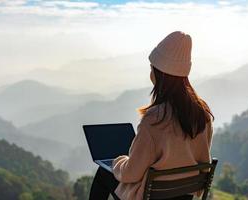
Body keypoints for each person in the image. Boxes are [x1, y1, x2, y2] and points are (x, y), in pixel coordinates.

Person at [89, 31, 214, 200]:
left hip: (150, 196)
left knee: (104, 173)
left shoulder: (154, 119)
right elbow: (202, 165)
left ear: (159, 73)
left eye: (151, 68)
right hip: (185, 196)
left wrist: (118, 161)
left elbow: (131, 174)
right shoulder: (202, 115)